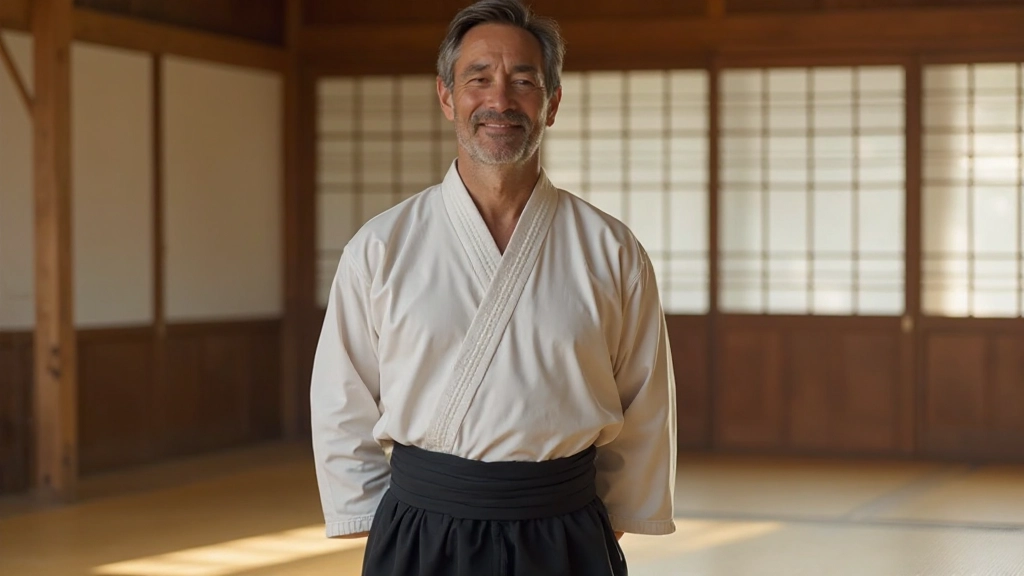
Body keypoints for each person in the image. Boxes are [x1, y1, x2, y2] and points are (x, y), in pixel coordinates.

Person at [310, 0, 677, 574]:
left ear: (551, 103)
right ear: (447, 96)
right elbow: (341, 397)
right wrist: (376, 522)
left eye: (523, 81)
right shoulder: (382, 247)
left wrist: (607, 519)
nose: (500, 101)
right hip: (423, 526)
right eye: (477, 79)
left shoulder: (612, 249)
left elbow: (644, 400)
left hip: (564, 526)